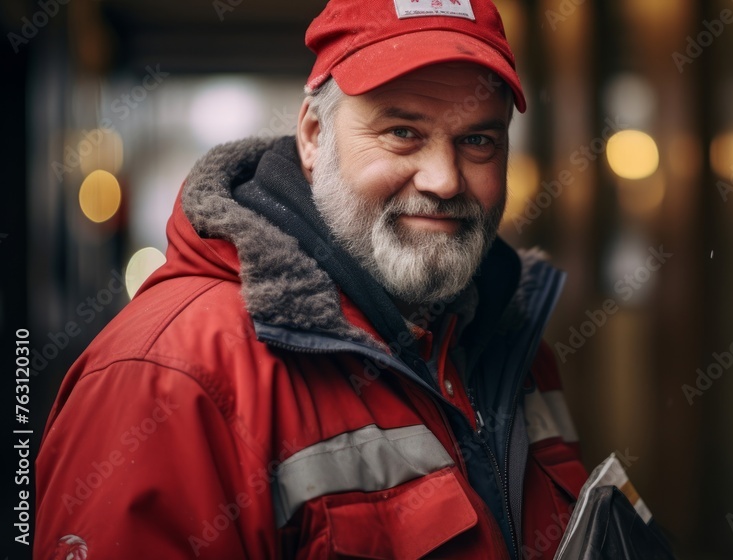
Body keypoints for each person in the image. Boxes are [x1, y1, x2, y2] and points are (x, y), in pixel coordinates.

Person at [35, 1, 588, 558]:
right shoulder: (169, 379)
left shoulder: (511, 339)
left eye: (478, 141)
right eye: (402, 132)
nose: (444, 180)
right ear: (314, 136)